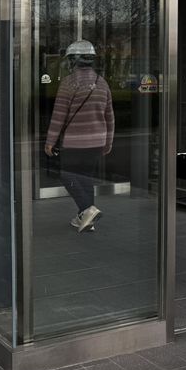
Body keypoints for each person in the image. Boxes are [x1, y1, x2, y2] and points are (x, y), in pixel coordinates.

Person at [44, 40, 114, 233]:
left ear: (73, 61)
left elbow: (59, 116)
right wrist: (108, 142)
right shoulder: (102, 83)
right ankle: (86, 220)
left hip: (75, 142)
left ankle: (87, 209)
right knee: (85, 178)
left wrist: (50, 142)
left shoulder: (69, 83)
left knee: (67, 176)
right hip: (97, 141)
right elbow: (110, 117)